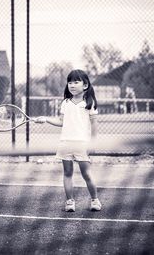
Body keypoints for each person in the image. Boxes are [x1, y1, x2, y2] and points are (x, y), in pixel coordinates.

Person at [35, 69, 102, 212]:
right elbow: (61, 121)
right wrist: (45, 119)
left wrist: (93, 143)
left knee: (86, 174)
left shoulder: (90, 102)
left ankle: (95, 200)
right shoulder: (65, 103)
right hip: (65, 143)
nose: (72, 85)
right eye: (69, 82)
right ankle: (70, 202)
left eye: (76, 82)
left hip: (82, 144)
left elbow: (94, 124)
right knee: (67, 173)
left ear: (85, 85)